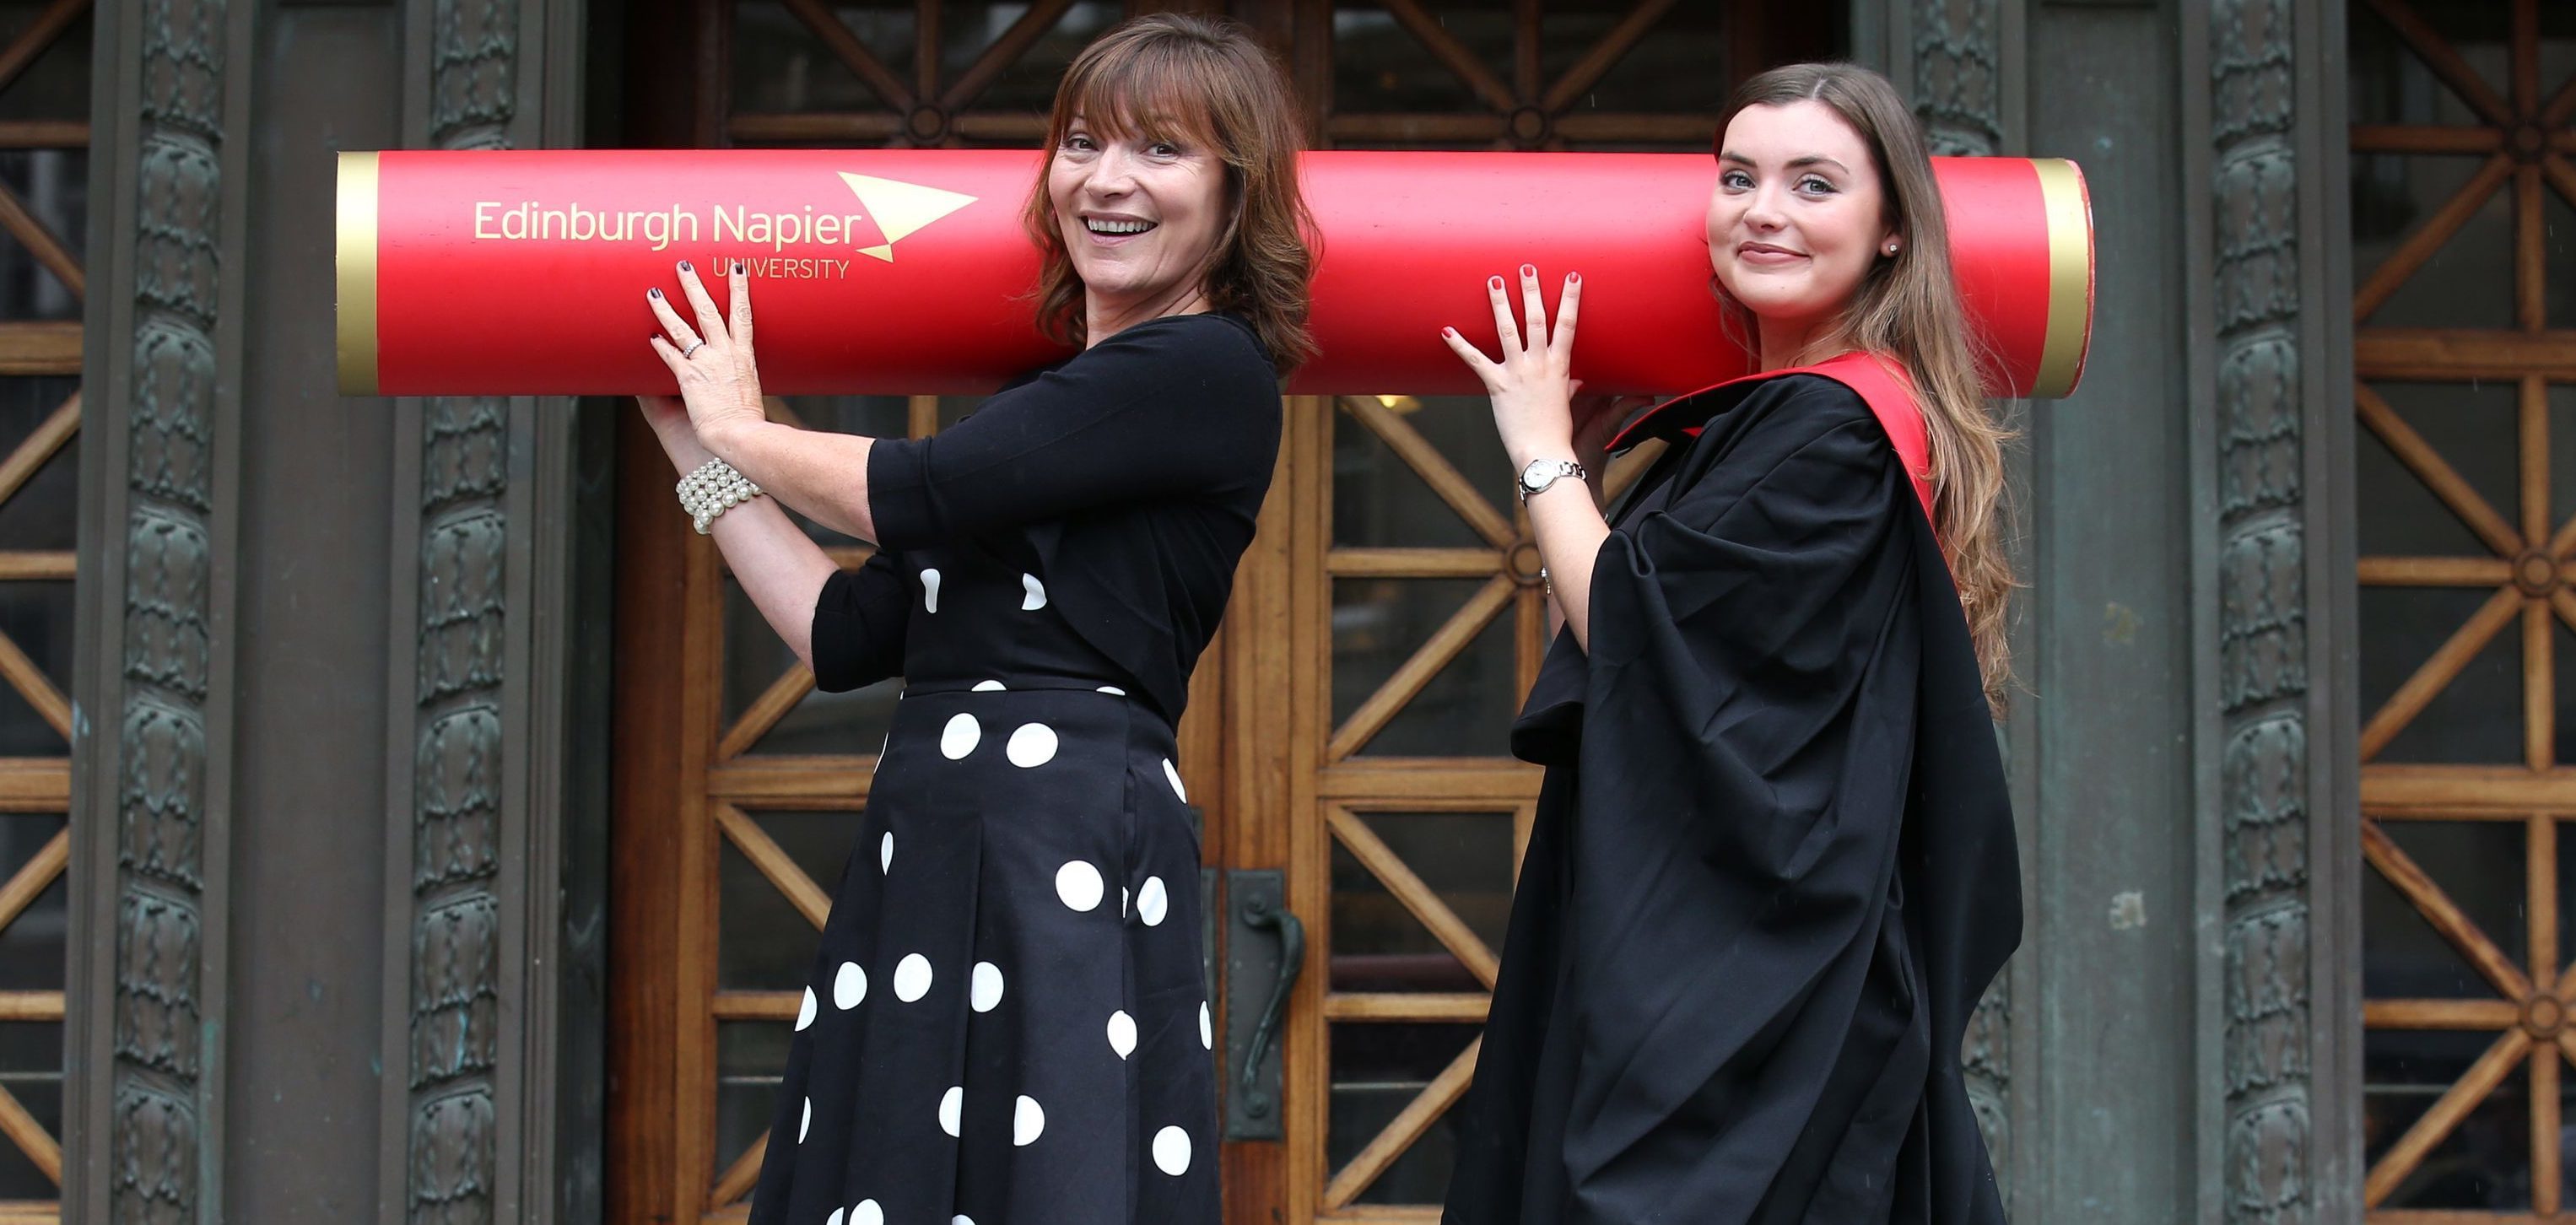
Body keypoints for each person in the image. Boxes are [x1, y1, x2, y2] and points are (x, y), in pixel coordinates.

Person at [630, 15, 1312, 1224]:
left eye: (1161, 152)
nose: (1107, 181)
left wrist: (746, 426)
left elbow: (912, 491)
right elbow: (843, 638)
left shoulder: (1207, 370)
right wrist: (699, 451)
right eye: (1084, 143)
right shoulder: (1043, 414)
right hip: (933, 823)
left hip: (1059, 827)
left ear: (1232, 194)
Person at [1435, 62, 2022, 1224]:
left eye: (1814, 184)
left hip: (1759, 989)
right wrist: (1589, 482)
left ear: (1892, 227)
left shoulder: (1831, 428)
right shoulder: (1788, 415)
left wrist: (1542, 452)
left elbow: (1635, 625)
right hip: (1751, 957)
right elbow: (1628, 659)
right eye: (1737, 176)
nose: (1763, 210)